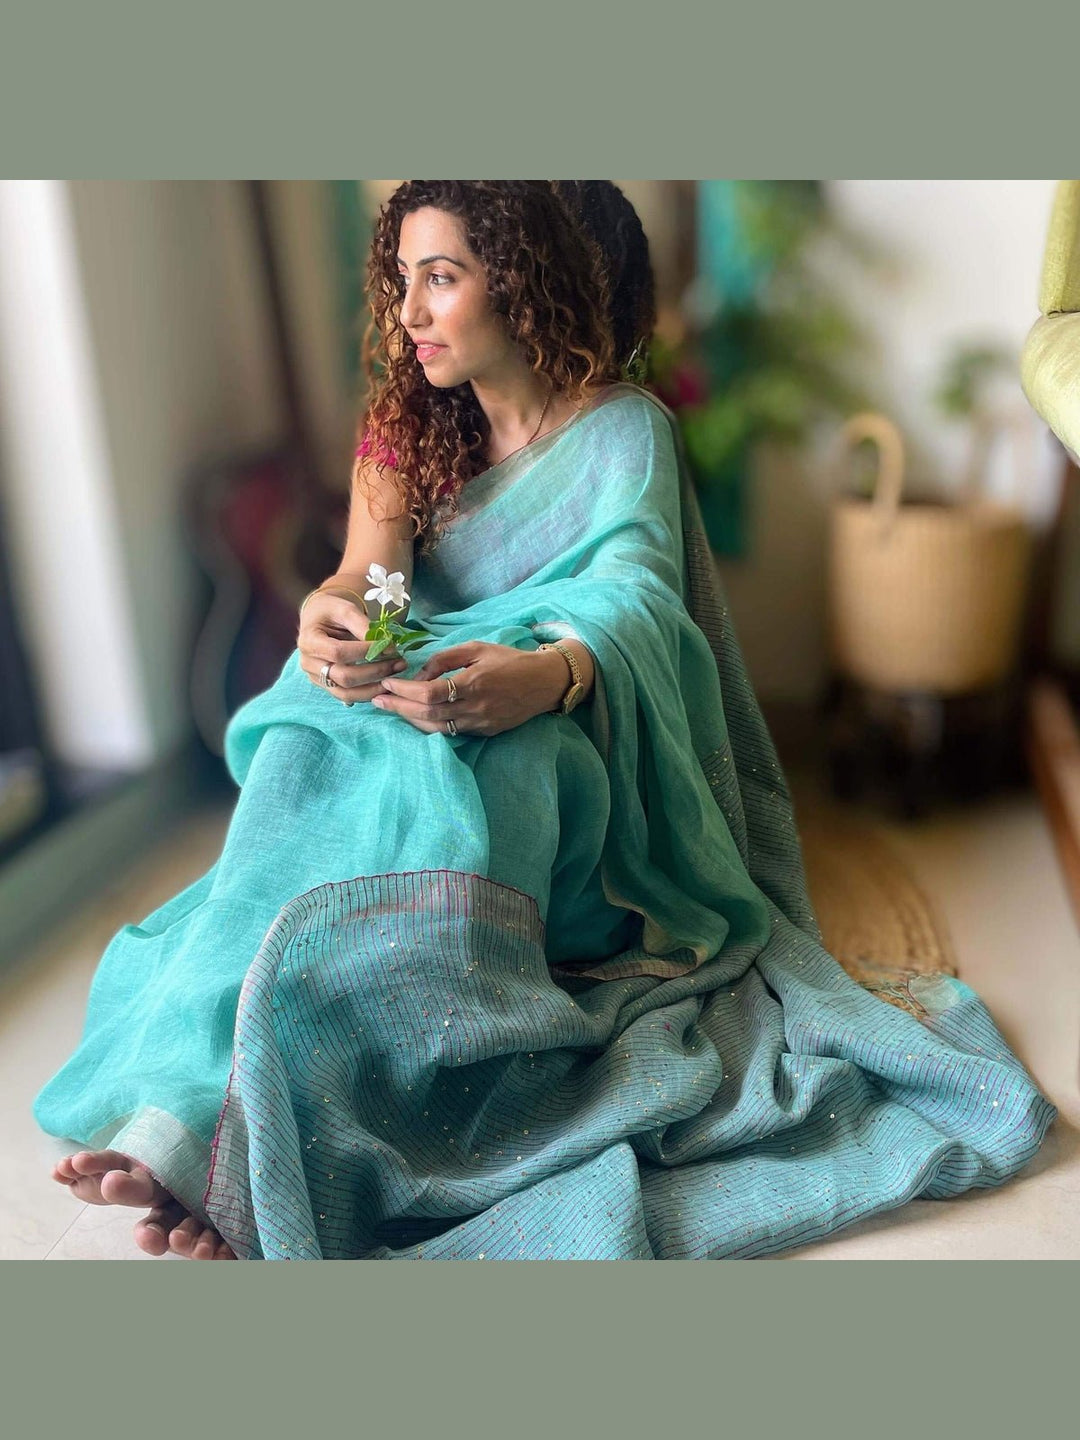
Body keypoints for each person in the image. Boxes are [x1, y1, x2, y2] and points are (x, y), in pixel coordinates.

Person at [35, 181, 1056, 1261]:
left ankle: (270, 1156)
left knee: (498, 771)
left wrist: (546, 675)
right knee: (301, 745)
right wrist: (336, 618)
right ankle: (196, 1129)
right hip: (412, 683)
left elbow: (639, 599)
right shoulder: (401, 427)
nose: (409, 313)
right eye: (402, 280)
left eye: (440, 279)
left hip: (563, 725)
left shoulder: (622, 432)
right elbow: (376, 581)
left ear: (518, 285)